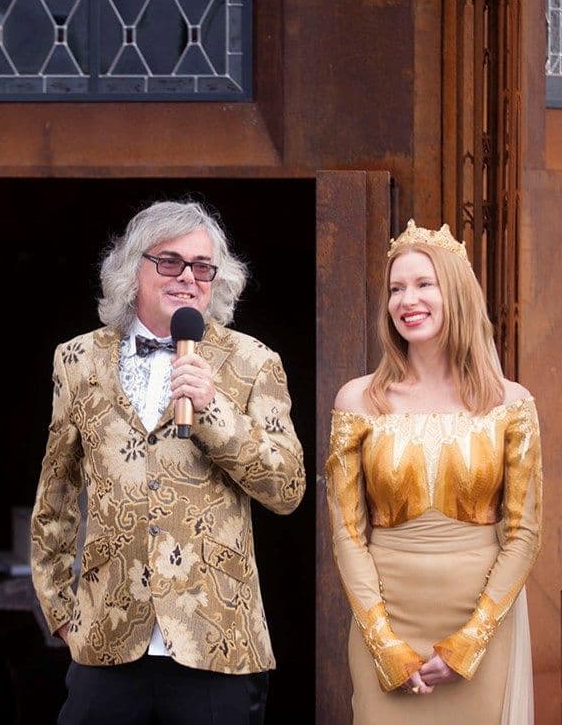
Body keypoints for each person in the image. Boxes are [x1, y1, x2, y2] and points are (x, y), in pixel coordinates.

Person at [30, 200, 306, 724]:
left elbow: (287, 488)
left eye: (202, 267)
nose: (188, 278)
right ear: (133, 267)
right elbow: (56, 495)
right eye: (170, 262)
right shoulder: (77, 359)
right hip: (106, 639)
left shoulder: (253, 362)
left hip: (217, 644)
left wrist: (214, 411)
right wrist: (62, 614)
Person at [326, 220, 541, 723]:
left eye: (424, 284)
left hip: (481, 626)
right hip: (386, 619)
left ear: (457, 293)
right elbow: (346, 534)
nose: (407, 299)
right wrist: (383, 643)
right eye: (396, 288)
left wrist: (471, 639)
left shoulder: (511, 403)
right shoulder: (358, 400)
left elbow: (524, 533)